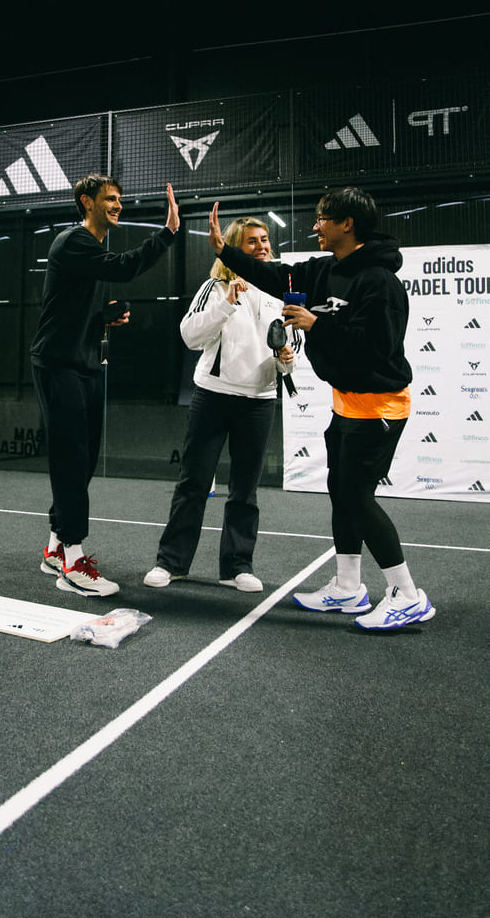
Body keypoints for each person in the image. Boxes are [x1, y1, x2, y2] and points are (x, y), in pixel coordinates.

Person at [209, 187, 435, 630]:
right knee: (341, 491)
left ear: (347, 224)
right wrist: (224, 251)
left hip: (380, 406)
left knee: (357, 497)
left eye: (322, 219)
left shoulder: (379, 282)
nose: (315, 227)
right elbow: (275, 275)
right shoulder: (323, 269)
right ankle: (348, 587)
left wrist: (318, 324)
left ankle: (408, 595)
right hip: (346, 404)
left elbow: (376, 349)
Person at [32, 175, 180, 596]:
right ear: (87, 202)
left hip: (86, 366)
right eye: (110, 199)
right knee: (71, 459)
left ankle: (55, 547)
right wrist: (168, 232)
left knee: (83, 460)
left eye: (119, 199)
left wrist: (104, 317)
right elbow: (125, 267)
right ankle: (73, 563)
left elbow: (75, 309)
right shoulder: (74, 242)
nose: (118, 205)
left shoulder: (92, 251)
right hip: (58, 365)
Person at [144, 216, 294, 594]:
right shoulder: (215, 287)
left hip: (259, 401)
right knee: (194, 483)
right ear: (234, 247)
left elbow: (290, 348)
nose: (261, 246)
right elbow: (189, 335)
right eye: (251, 241)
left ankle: (237, 566)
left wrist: (286, 359)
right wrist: (227, 304)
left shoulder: (280, 292)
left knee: (245, 490)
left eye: (264, 240)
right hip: (213, 396)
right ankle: (171, 563)